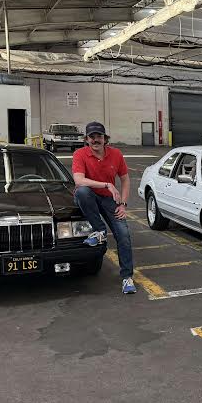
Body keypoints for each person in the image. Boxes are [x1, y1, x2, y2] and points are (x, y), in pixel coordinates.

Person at [71, 121, 137, 294]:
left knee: (123, 235)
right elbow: (79, 180)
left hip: (109, 200)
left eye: (99, 136)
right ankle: (99, 231)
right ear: (86, 140)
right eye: (91, 137)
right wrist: (107, 184)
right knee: (82, 191)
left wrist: (123, 204)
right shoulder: (80, 154)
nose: (95, 140)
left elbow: (125, 179)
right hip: (89, 197)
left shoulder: (116, 154)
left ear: (105, 139)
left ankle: (127, 278)